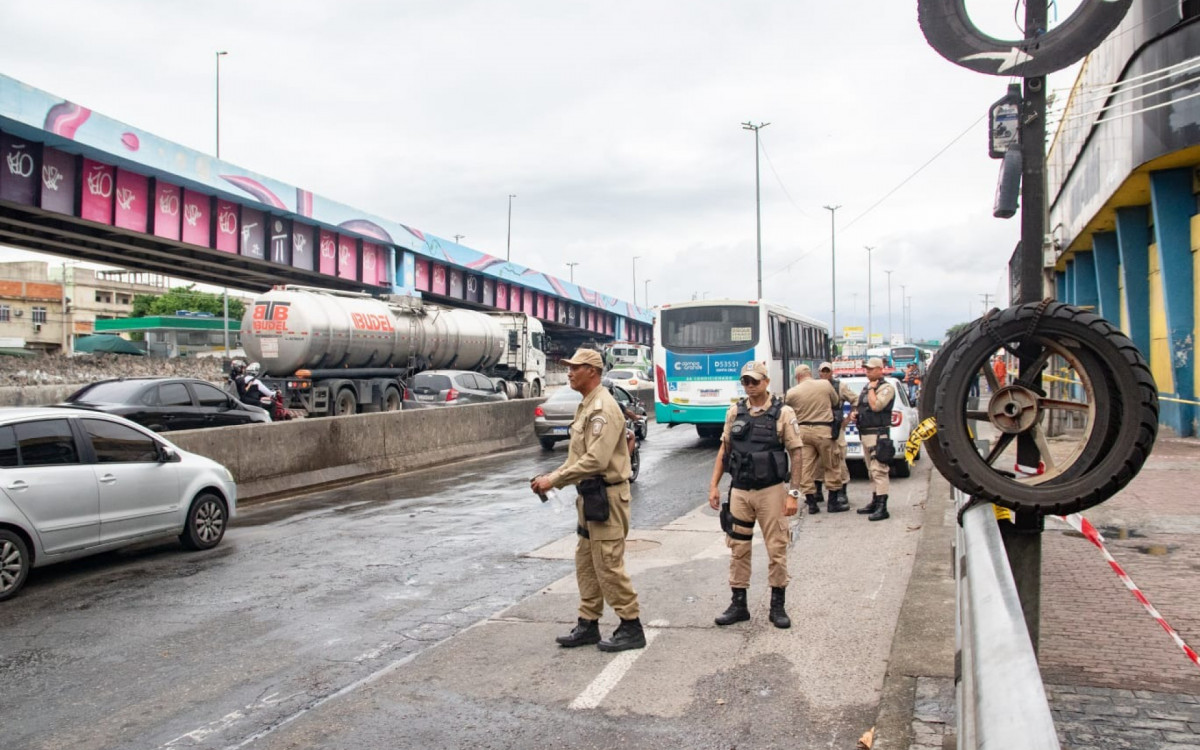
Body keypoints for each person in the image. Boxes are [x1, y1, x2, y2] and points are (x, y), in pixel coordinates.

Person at [531, 349, 645, 652]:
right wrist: (553, 475)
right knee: (586, 562)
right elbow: (578, 457)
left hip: (606, 496)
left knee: (608, 564)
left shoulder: (603, 408)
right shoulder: (587, 405)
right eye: (568, 368)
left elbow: (595, 460)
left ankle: (631, 625)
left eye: (575, 368)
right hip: (590, 497)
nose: (569, 372)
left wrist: (554, 480)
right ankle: (588, 623)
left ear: (592, 371)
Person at [706, 361, 804, 629]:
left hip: (771, 491)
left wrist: (793, 493)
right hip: (740, 490)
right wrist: (714, 485)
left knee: (777, 548)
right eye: (746, 382)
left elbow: (796, 453)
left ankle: (777, 606)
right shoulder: (734, 412)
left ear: (766, 382)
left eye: (755, 381)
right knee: (738, 548)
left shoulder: (783, 413)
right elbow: (724, 452)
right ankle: (739, 604)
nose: (750, 386)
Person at [784, 364, 847, 514]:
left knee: (805, 468)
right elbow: (835, 401)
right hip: (824, 430)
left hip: (803, 432)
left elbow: (786, 409)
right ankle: (832, 503)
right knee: (831, 465)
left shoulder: (792, 392)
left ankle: (812, 504)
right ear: (810, 374)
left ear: (797, 377)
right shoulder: (825, 385)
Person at [851, 357, 895, 521]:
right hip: (866, 433)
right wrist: (856, 414)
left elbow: (877, 406)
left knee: (879, 470)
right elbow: (862, 406)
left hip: (878, 434)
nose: (867, 371)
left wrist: (871, 389)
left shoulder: (885, 388)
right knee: (871, 470)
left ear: (879, 370)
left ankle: (882, 507)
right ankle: (875, 501)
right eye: (866, 369)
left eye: (870, 369)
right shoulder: (867, 387)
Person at [816, 362, 856, 508]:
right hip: (819, 427)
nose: (825, 374)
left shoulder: (840, 386)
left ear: (832, 372)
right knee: (818, 460)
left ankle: (841, 492)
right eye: (822, 371)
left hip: (835, 427)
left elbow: (855, 400)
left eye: (828, 371)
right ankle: (817, 491)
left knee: (838, 459)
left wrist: (848, 419)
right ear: (819, 373)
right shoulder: (815, 387)